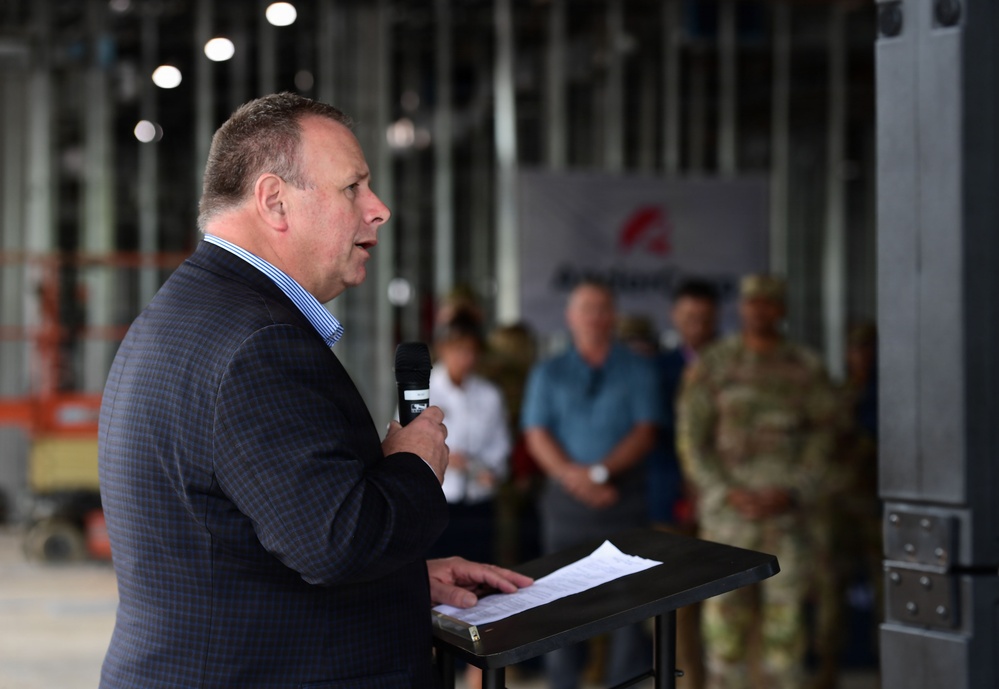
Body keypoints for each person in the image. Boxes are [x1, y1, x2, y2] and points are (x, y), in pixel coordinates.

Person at [97, 93, 530, 689]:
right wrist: (415, 464)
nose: (378, 210)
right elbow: (336, 543)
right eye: (353, 187)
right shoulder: (258, 344)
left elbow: (257, 539)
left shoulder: (191, 314)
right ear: (275, 201)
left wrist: (404, 580)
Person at [677, 274, 838, 689]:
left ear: (781, 310)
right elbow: (692, 439)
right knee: (723, 635)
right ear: (741, 308)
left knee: (785, 637)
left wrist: (794, 489)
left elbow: (826, 434)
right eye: (752, 303)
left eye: (769, 303)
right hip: (729, 520)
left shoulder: (806, 367)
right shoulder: (714, 363)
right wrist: (724, 491)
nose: (759, 311)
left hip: (786, 520)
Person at [521, 279, 661, 689]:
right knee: (561, 601)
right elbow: (536, 433)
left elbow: (645, 431)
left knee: (628, 603)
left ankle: (623, 683)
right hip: (566, 503)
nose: (595, 318)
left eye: (603, 309)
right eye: (586, 309)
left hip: (621, 497)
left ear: (613, 316)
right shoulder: (548, 371)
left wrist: (599, 474)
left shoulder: (638, 368)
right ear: (570, 317)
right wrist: (573, 477)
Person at [427, 311, 511, 564]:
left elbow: (500, 443)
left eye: (471, 351)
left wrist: (489, 469)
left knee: (478, 567)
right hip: (438, 498)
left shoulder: (489, 394)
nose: (466, 358)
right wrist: (447, 458)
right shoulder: (424, 390)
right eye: (458, 350)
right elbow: (406, 440)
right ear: (443, 349)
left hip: (478, 496)